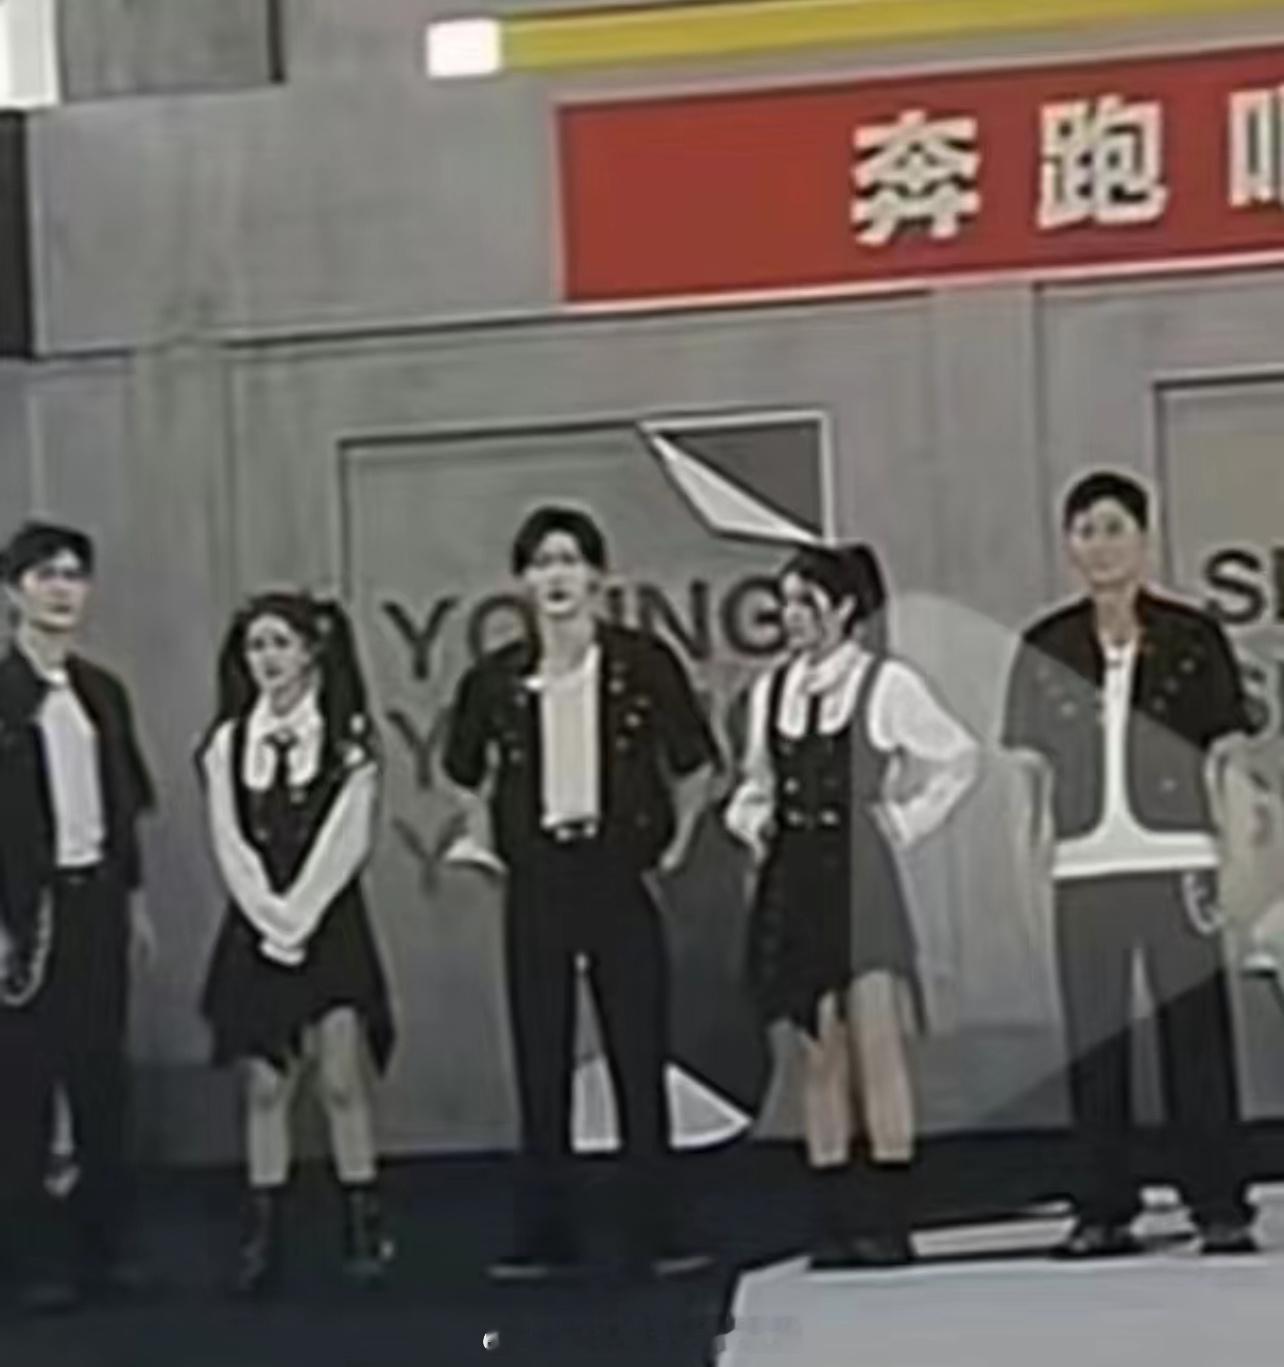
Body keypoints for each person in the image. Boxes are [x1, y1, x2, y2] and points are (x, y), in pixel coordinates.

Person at [442, 505, 719, 1280]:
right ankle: (546, 1231)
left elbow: (696, 762)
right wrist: (485, 839)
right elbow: (463, 770)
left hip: (617, 868)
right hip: (538, 875)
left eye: (570, 560)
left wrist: (673, 845)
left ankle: (655, 1226)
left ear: (599, 575)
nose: (556, 576)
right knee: (541, 1050)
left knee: (638, 1048)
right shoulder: (496, 678)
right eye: (542, 562)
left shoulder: (642, 662)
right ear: (522, 581)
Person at [1002, 470, 1257, 1259]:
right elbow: (1025, 778)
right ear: (1068, 544)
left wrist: (1238, 865)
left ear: (1143, 539)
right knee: (1096, 1041)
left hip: (1180, 855)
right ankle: (1103, 1205)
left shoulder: (1192, 636)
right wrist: (1024, 875)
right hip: (1083, 863)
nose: (1100, 545)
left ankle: (1217, 1200)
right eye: (1085, 530)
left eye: (1114, 528)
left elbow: (1228, 756)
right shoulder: (1047, 643)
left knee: (1197, 1036)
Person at [726, 543, 978, 1269]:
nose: (792, 616)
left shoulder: (885, 683)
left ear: (842, 608)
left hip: (860, 873)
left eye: (806, 601)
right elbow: (754, 783)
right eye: (785, 603)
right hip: (795, 875)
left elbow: (957, 757)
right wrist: (753, 823)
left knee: (877, 1044)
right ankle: (832, 1219)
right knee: (818, 1051)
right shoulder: (771, 692)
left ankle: (889, 1218)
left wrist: (901, 821)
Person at [198, 592, 396, 1294]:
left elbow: (347, 843)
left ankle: (363, 1220)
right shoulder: (227, 744)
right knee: (265, 1085)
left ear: (311, 651)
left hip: (331, 924)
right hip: (255, 928)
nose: (268, 659)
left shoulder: (348, 742)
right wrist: (269, 920)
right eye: (256, 646)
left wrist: (299, 918)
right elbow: (229, 842)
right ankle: (264, 1232)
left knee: (341, 1079)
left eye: (280, 643)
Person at [0, 521, 157, 1310]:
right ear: (13, 591)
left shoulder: (102, 691)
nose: (62, 589)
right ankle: (27, 1261)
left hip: (97, 899)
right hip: (25, 909)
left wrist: (135, 898)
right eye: (45, 575)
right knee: (24, 1086)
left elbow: (125, 804)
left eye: (73, 575)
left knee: (102, 1078)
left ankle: (105, 1250)